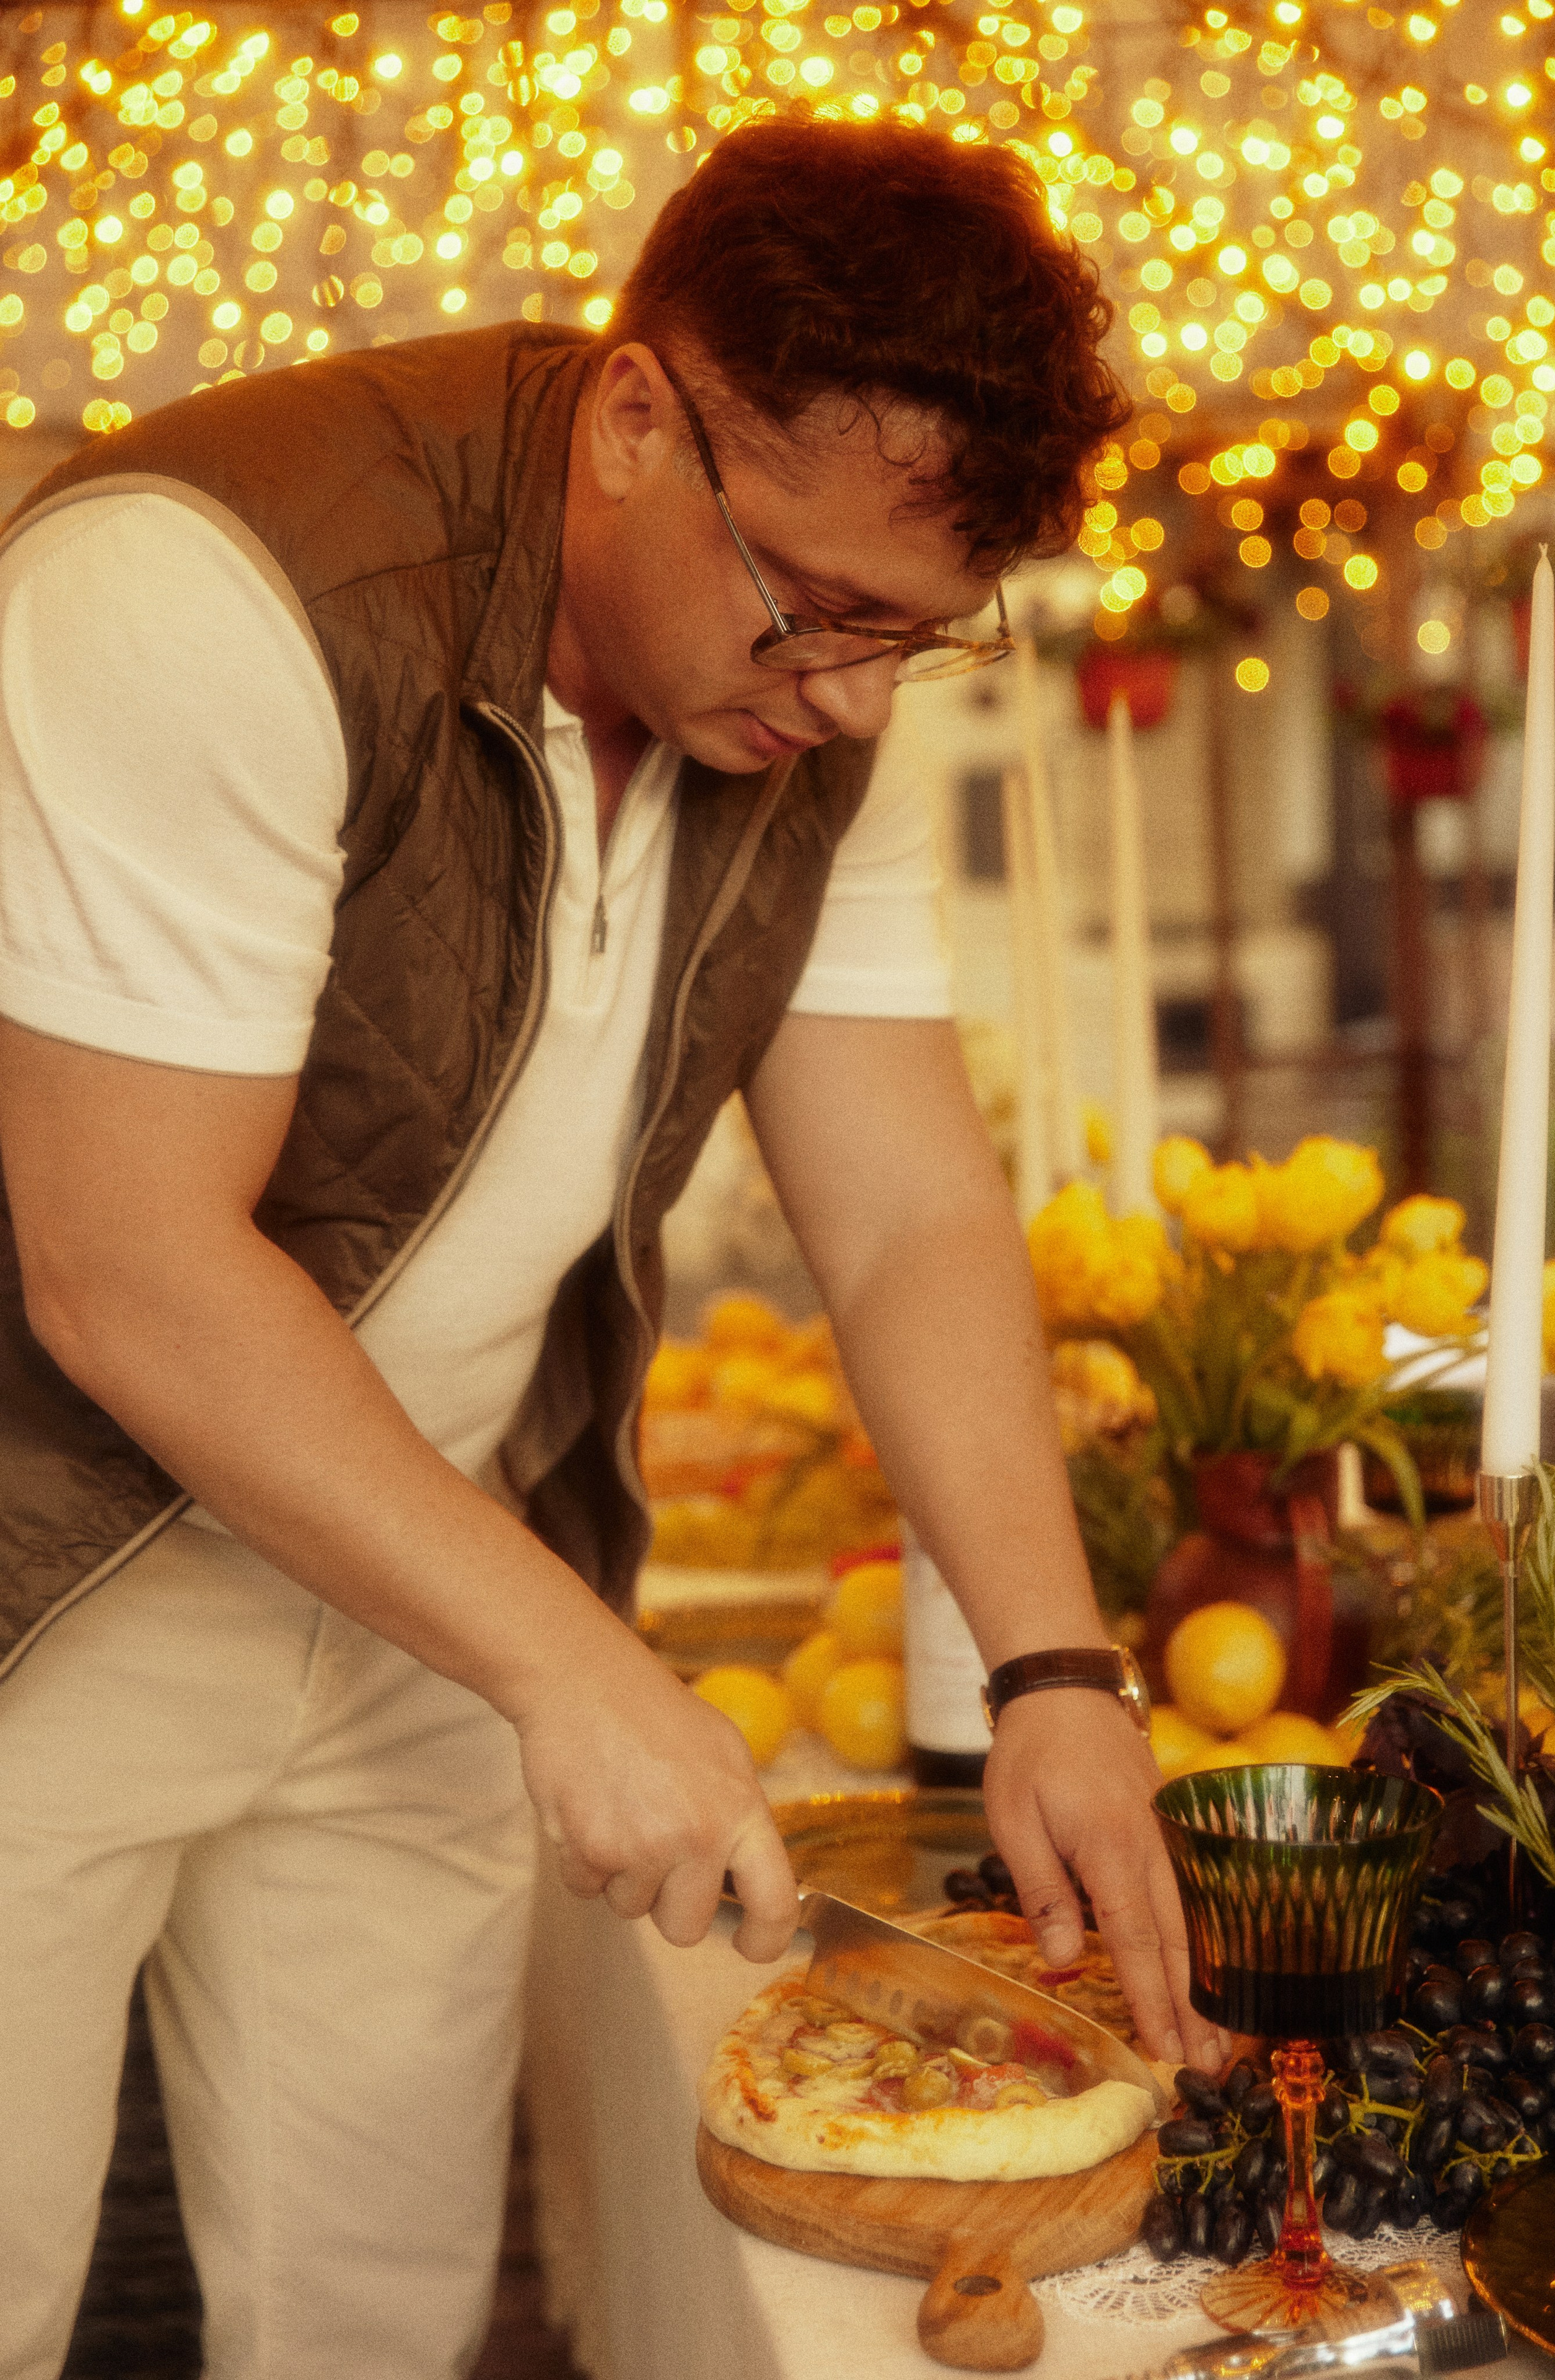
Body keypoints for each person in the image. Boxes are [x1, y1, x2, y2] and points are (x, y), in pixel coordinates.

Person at [0, 114, 1215, 2380]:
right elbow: (124, 1263)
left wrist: (1057, 1670)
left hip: (420, 1587)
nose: (857, 696)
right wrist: (573, 1665)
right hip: (40, 1574)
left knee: (369, 2315)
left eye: (917, 641)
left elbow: (912, 1201)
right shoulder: (204, 583)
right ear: (639, 416)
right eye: (822, 611)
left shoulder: (810, 682)